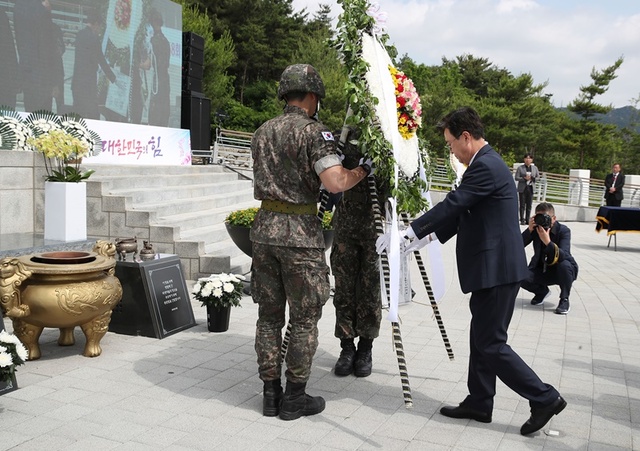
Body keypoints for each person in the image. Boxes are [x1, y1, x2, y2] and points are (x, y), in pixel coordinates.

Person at [385, 107, 566, 436]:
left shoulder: (486, 166)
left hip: (497, 270)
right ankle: (480, 401)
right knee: (481, 337)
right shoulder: (487, 164)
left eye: (451, 143)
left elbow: (453, 204)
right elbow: (463, 214)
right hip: (492, 269)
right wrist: (419, 240)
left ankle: (544, 397)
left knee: (491, 343)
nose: (451, 150)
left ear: (466, 137)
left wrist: (410, 234)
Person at [251, 64, 373, 421]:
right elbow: (335, 182)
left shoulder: (262, 131)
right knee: (304, 317)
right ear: (312, 96)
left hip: (264, 230)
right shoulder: (314, 133)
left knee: (268, 316)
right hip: (299, 235)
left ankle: (270, 394)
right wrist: (362, 169)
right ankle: (295, 396)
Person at [330, 126, 388, 378]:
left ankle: (366, 347)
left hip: (373, 226)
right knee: (343, 288)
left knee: (370, 289)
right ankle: (346, 346)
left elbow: (397, 182)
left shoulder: (385, 140)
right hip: (345, 226)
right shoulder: (340, 138)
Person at [521, 202, 578, 315]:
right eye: (539, 217)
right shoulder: (536, 230)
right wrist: (529, 230)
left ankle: (564, 299)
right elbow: (517, 246)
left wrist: (548, 242)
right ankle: (541, 292)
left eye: (545, 218)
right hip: (542, 269)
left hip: (561, 270)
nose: (542, 221)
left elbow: (564, 255)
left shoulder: (563, 231)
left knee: (565, 265)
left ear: (554, 218)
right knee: (519, 274)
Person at [71, 9, 117, 119]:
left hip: (76, 84)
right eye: (100, 26)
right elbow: (101, 60)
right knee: (94, 117)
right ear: (96, 24)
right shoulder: (94, 38)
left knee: (78, 117)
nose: (99, 30)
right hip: (88, 86)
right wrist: (113, 78)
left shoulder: (79, 35)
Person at [148, 8, 170, 127]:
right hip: (163, 81)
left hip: (159, 81)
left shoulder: (155, 41)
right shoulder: (164, 40)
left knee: (157, 112)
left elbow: (156, 64)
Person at [515, 153, 540, 225]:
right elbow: (516, 177)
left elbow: (538, 177)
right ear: (524, 159)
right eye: (526, 158)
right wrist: (524, 178)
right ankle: (522, 219)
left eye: (529, 158)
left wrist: (532, 178)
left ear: (532, 160)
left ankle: (527, 219)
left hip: (531, 187)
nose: (527, 160)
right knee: (522, 204)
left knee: (529, 205)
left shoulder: (535, 168)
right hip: (523, 188)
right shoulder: (520, 168)